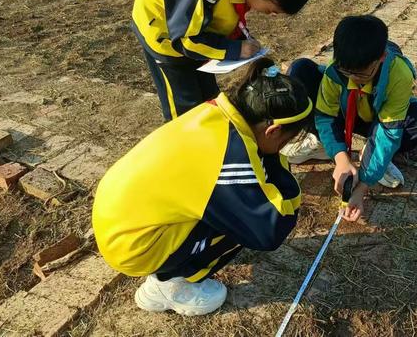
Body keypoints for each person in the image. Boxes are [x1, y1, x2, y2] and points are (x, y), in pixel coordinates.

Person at [92, 57, 311, 316]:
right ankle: (172, 285)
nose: (284, 148)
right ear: (272, 131)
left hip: (117, 218)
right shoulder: (229, 158)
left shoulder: (216, 110)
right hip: (133, 247)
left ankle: (173, 267)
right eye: (286, 140)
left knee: (232, 205)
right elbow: (271, 229)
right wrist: (277, 166)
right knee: (244, 221)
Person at [131, 0, 314, 120]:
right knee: (185, 108)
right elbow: (185, 40)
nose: (271, 16)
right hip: (164, 32)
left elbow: (225, 13)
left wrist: (241, 38)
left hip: (193, 27)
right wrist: (234, 49)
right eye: (272, 11)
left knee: (209, 96)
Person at [285, 15, 417, 222]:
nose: (353, 78)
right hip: (347, 113)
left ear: (381, 58)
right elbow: (325, 116)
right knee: (300, 70)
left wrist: (362, 187)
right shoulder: (335, 71)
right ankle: (329, 146)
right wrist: (342, 159)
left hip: (378, 121)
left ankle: (377, 159)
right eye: (346, 72)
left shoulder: (399, 74)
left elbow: (389, 130)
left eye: (361, 75)